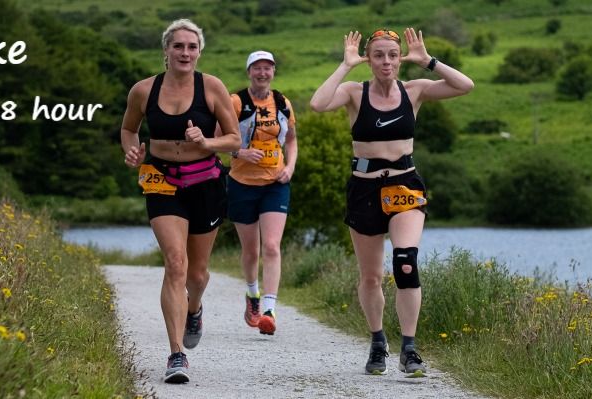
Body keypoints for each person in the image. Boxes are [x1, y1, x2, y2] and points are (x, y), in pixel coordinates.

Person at [309, 28, 474, 377]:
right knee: (370, 277)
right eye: (379, 55)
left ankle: (410, 348)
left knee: (405, 261)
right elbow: (318, 103)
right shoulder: (355, 93)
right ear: (369, 58)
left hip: (404, 185)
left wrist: (427, 61)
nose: (386, 61)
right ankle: (377, 341)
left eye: (392, 55)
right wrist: (345, 65)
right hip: (364, 189)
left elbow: (465, 85)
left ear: (400, 59)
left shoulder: (414, 91)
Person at [120, 19, 241, 384]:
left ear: (199, 51)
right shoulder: (144, 90)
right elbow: (129, 128)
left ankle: (194, 308)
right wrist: (132, 151)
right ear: (166, 50)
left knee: (197, 274)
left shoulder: (212, 87)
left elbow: (234, 140)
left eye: (191, 47)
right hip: (161, 181)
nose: (185, 53)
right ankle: (176, 354)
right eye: (178, 46)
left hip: (205, 183)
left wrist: (207, 143)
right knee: (175, 263)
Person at [223, 50, 298, 336]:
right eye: (257, 68)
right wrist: (240, 151)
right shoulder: (235, 101)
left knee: (271, 246)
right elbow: (217, 139)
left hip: (275, 184)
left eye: (268, 68)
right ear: (249, 72)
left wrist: (290, 167)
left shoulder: (282, 102)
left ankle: (269, 309)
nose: (263, 73)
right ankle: (252, 295)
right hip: (242, 183)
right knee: (251, 250)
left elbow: (291, 141)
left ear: (274, 72)